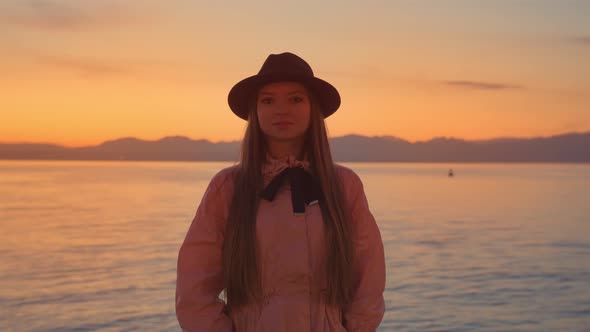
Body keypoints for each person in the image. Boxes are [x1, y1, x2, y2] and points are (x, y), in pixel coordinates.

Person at [175, 52, 386, 331]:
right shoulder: (227, 187)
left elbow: (368, 276)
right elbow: (194, 286)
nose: (282, 109)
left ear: (314, 109)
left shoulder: (344, 185)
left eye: (296, 99)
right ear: (256, 111)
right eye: (268, 100)